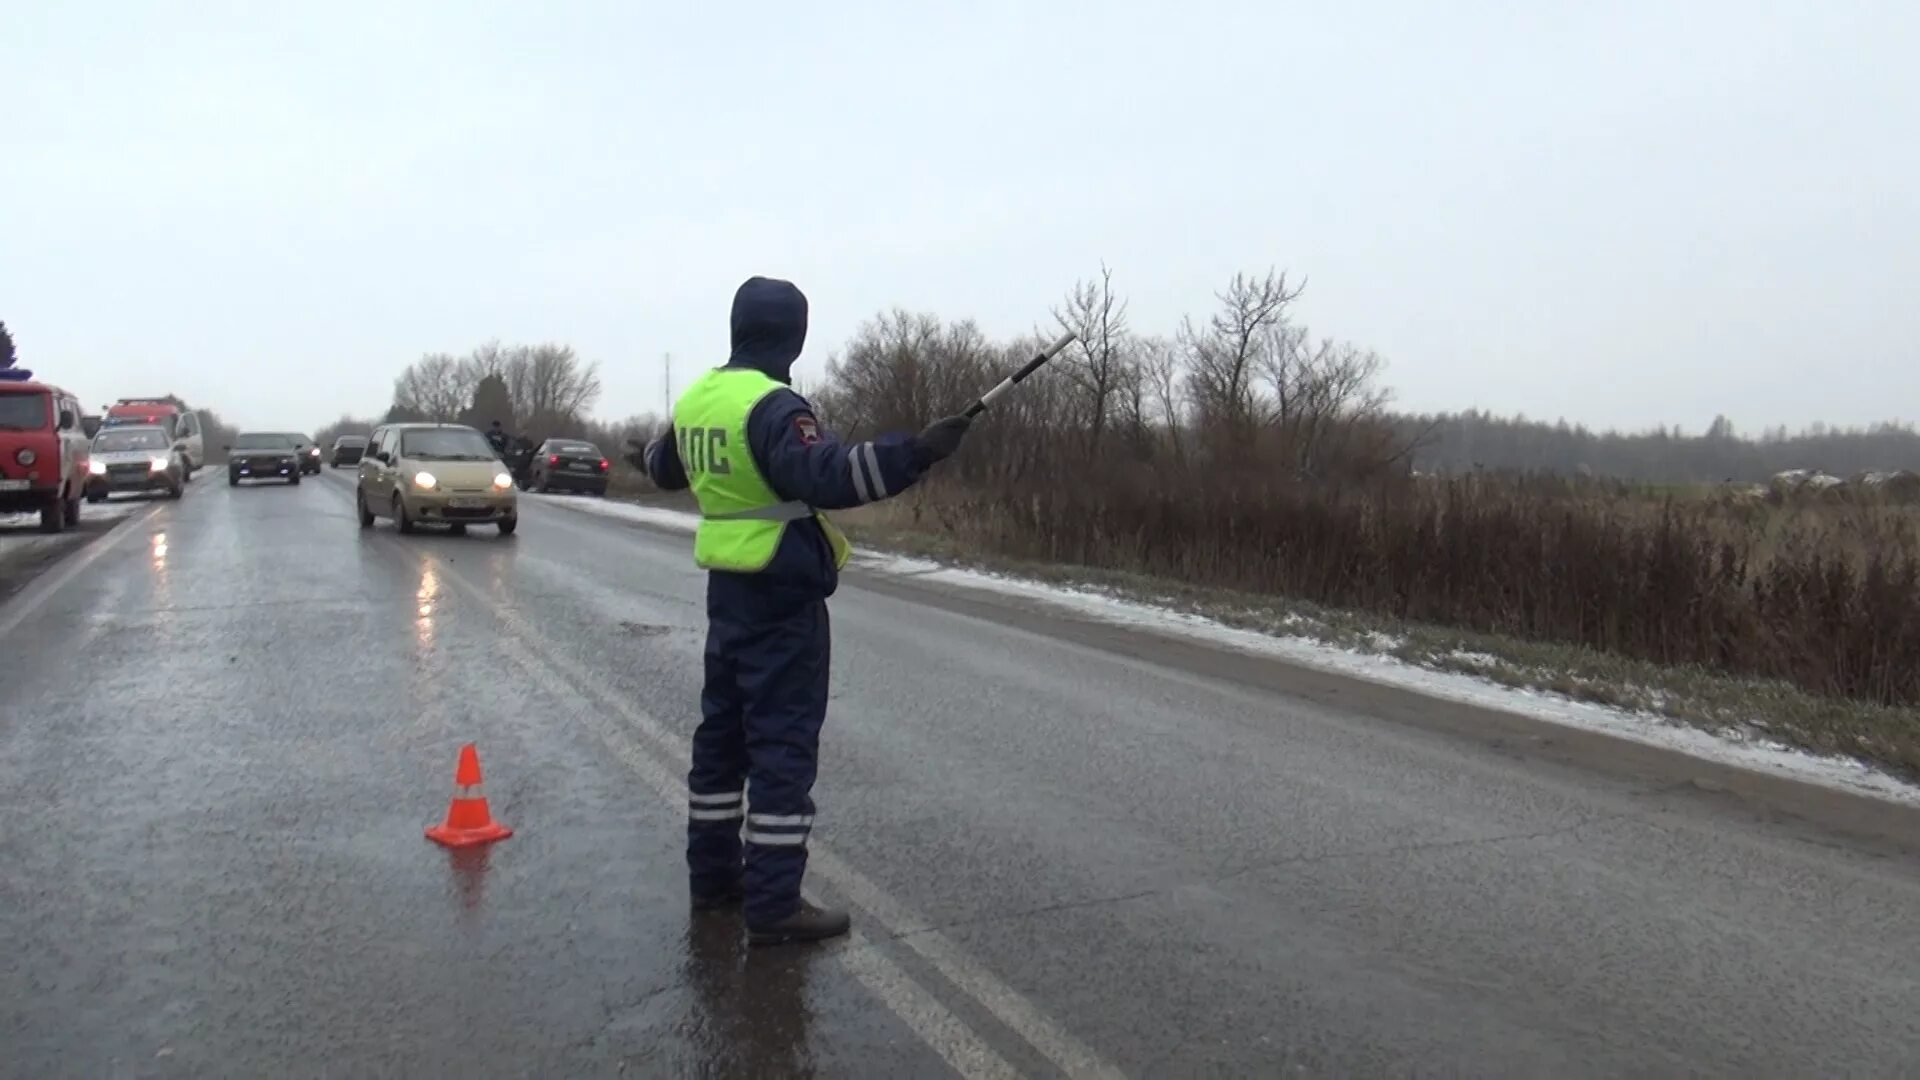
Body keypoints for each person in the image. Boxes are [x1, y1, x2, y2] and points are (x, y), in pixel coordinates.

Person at [642, 275, 972, 945]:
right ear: (793, 334)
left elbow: (662, 467)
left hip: (728, 591)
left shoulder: (702, 397)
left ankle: (713, 884)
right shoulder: (774, 405)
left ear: (738, 328)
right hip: (782, 595)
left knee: (721, 743)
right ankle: (773, 903)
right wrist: (916, 453)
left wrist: (648, 457)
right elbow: (827, 476)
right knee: (782, 748)